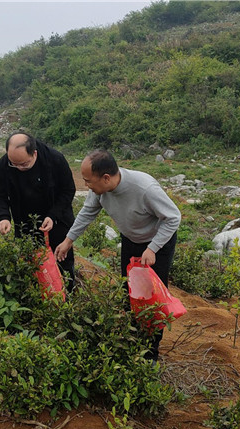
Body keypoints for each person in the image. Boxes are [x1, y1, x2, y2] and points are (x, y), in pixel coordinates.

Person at [54, 149, 181, 360]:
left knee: (152, 298)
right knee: (129, 290)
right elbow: (87, 213)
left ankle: (150, 354)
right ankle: (132, 341)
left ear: (106, 178)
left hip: (157, 242)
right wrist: (68, 240)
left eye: (88, 181)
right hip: (131, 240)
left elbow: (173, 217)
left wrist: (153, 248)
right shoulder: (100, 191)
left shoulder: (144, 188)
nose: (87, 186)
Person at [0, 132, 76, 289]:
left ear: (34, 153)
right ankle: (37, 298)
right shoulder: (3, 166)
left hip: (58, 220)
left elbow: (68, 190)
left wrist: (53, 215)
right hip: (25, 222)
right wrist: (3, 217)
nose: (18, 168)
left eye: (23, 164)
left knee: (63, 261)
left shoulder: (55, 160)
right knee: (30, 263)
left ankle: (68, 297)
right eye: (13, 164)